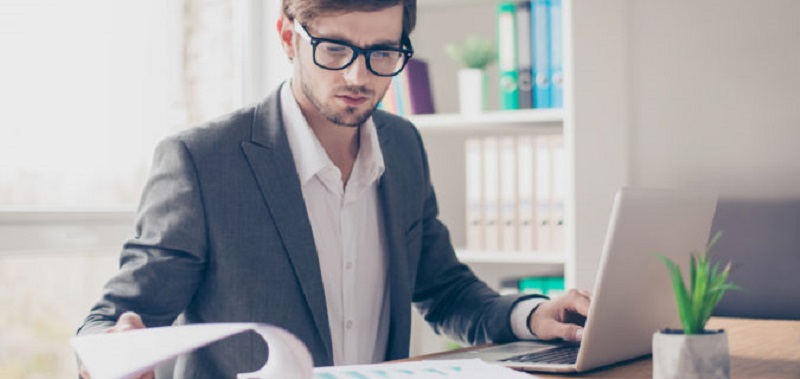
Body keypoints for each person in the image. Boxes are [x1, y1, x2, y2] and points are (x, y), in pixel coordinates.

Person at [77, 1, 590, 378]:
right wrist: (112, 351)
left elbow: (444, 289)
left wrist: (530, 315)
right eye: (335, 48)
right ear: (286, 36)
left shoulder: (403, 145)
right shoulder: (203, 162)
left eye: (383, 52)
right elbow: (113, 320)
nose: (358, 75)